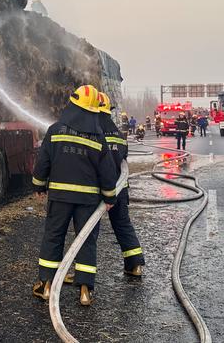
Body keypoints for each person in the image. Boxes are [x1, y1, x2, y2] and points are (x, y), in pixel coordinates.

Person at [32, 85, 119, 307]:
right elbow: (107, 171)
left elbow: (43, 161)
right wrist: (110, 197)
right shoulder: (98, 137)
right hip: (88, 201)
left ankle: (46, 285)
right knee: (86, 241)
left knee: (53, 236)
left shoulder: (55, 130)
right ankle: (85, 291)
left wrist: (39, 185)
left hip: (60, 197)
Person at [96, 92, 145, 277]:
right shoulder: (118, 133)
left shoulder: (92, 131)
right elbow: (123, 157)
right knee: (123, 224)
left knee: (88, 231)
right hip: (120, 188)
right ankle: (135, 265)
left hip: (97, 189)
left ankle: (83, 275)